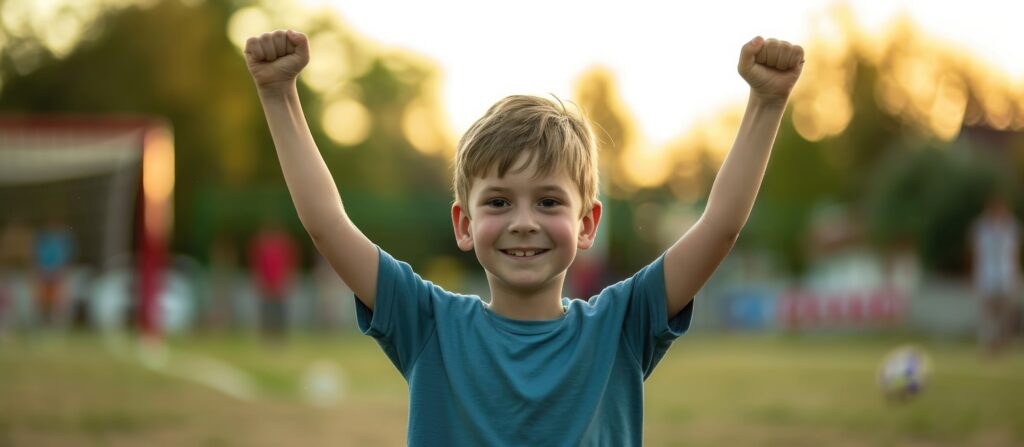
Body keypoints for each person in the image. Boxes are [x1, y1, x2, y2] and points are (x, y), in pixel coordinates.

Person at [244, 29, 803, 445]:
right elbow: (326, 223)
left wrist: (767, 103)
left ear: (587, 225)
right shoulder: (429, 323)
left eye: (550, 201)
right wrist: (279, 95)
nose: (524, 221)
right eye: (498, 202)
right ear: (464, 224)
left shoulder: (622, 325)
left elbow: (721, 227)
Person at [969, 191, 1022, 356]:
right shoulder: (980, 226)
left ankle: (1002, 344)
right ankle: (988, 344)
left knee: (1006, 313)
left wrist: (1017, 274)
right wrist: (972, 273)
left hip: (1007, 275)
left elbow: (1015, 253)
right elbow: (974, 252)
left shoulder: (1012, 226)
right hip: (986, 275)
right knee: (987, 314)